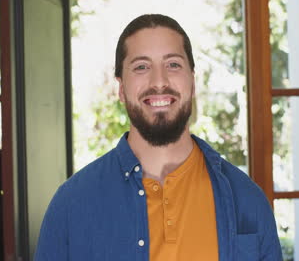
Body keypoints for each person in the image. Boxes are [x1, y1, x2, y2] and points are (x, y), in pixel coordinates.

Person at [35, 14, 283, 261]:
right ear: (121, 88)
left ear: (193, 82)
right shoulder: (71, 205)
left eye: (173, 64)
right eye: (141, 67)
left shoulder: (247, 200)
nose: (159, 81)